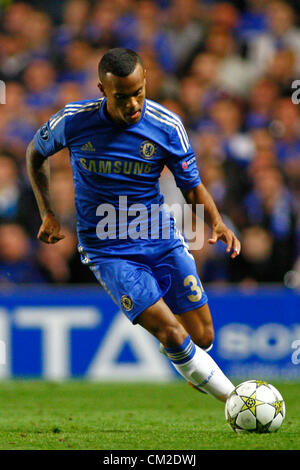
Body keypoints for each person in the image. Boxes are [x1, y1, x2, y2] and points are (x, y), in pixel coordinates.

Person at [26, 48, 241, 403]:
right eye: (121, 97)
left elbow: (192, 185)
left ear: (146, 83)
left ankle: (183, 354)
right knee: (172, 334)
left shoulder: (167, 126)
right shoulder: (73, 121)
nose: (133, 105)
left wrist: (215, 223)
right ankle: (239, 403)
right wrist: (47, 211)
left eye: (138, 93)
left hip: (159, 236)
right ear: (102, 90)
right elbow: (35, 154)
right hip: (107, 248)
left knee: (201, 337)